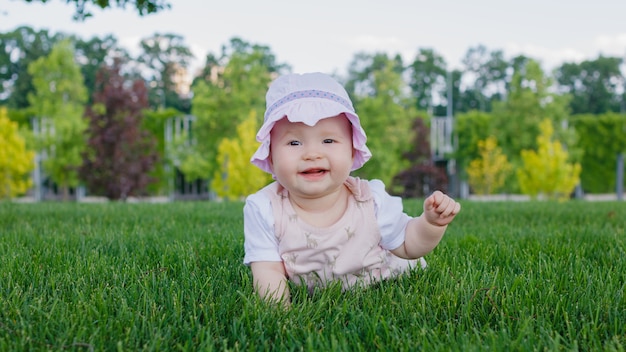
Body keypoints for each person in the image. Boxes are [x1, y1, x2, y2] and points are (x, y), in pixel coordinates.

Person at [243, 72, 460, 305]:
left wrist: (431, 224)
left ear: (353, 151)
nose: (312, 154)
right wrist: (280, 315)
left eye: (328, 141)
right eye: (294, 142)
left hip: (381, 283)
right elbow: (268, 271)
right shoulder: (265, 208)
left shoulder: (370, 200)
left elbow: (409, 245)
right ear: (271, 156)